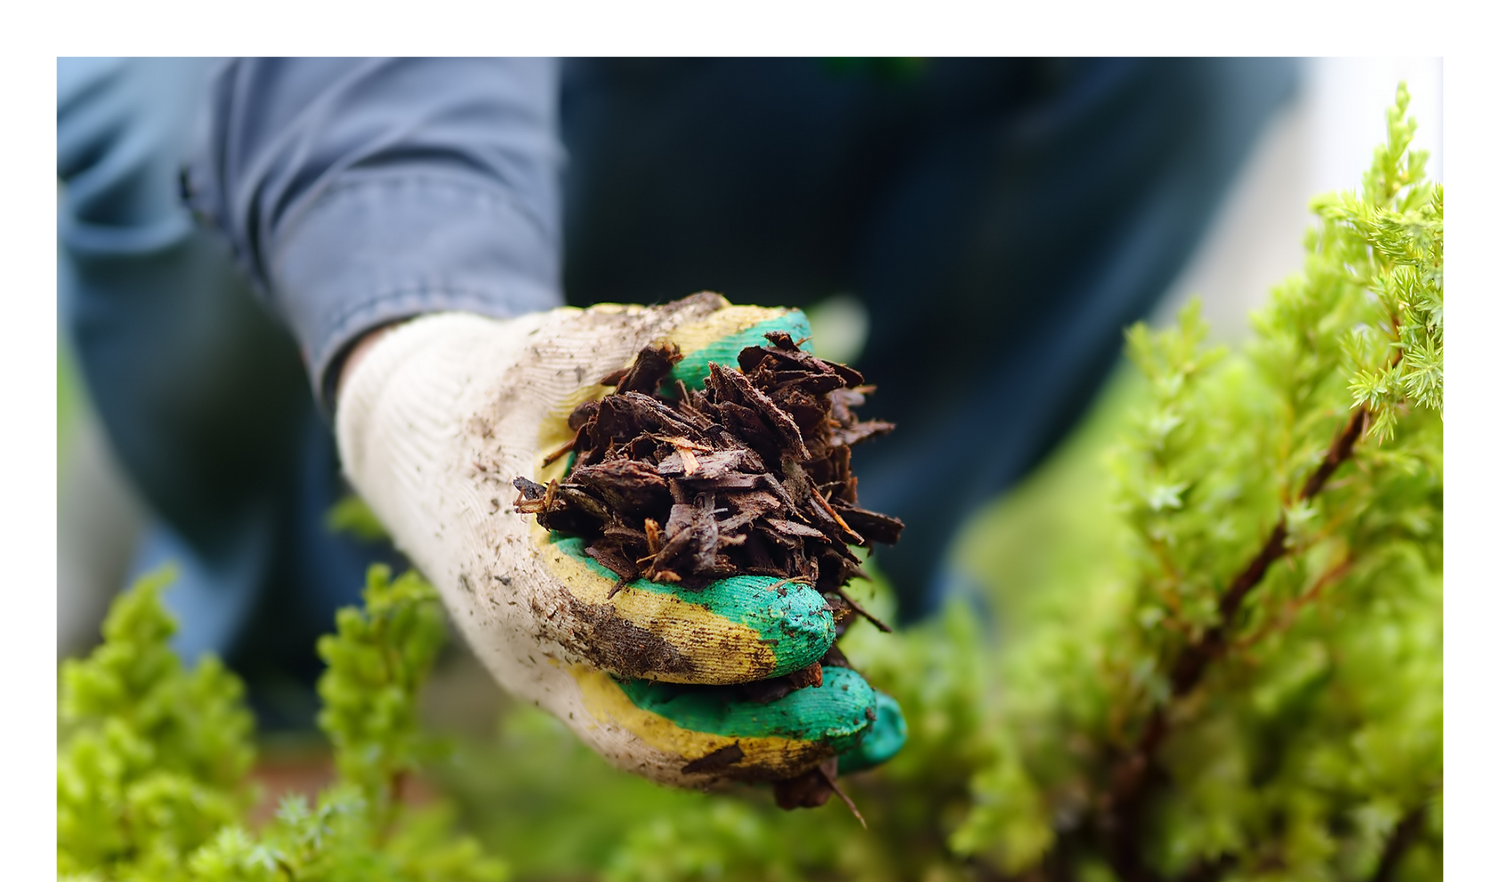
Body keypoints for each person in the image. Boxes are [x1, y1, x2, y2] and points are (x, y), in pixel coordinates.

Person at [57, 57, 1297, 785]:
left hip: (738, 108)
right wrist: (415, 368)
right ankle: (259, 582)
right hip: (379, 98)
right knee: (189, 98)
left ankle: (813, 620)